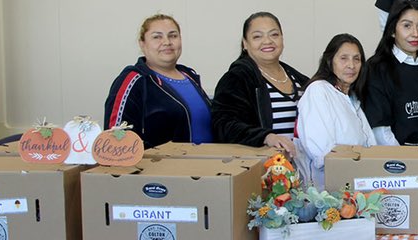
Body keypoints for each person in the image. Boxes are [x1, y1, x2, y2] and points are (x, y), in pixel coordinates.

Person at [104, 14, 213, 148]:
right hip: (161, 166)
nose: (167, 42)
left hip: (208, 166)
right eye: (157, 37)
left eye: (173, 36)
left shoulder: (189, 76)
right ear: (142, 44)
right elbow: (115, 135)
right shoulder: (133, 80)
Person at [211, 11, 309, 153]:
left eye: (274, 34)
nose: (267, 41)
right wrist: (265, 137)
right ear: (245, 43)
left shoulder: (299, 79)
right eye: (257, 36)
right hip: (263, 169)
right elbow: (222, 124)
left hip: (302, 169)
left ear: (282, 38)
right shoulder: (236, 78)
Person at [363, 0, 418, 147]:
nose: (415, 33)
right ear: (392, 30)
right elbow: (380, 129)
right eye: (407, 26)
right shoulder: (376, 69)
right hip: (398, 159)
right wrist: (404, 161)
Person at [295, 33, 375, 188]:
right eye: (343, 58)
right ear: (329, 61)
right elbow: (322, 154)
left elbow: (370, 146)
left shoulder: (351, 97)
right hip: (327, 193)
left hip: (356, 186)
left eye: (356, 59)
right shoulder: (318, 91)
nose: (351, 65)